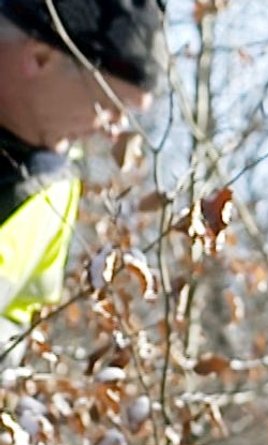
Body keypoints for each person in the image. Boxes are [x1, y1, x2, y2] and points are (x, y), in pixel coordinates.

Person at [0, 0, 162, 358]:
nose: (113, 133)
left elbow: (16, 317)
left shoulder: (55, 189)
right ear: (41, 59)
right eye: (110, 107)